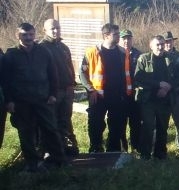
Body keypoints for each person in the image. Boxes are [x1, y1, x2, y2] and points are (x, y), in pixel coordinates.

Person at [1, 23, 66, 171]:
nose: (28, 37)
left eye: (31, 34)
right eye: (24, 35)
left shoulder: (43, 51)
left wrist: (53, 94)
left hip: (43, 98)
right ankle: (33, 163)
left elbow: (52, 74)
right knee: (26, 132)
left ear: (35, 34)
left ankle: (58, 159)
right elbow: (5, 81)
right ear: (18, 35)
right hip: (22, 101)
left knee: (51, 128)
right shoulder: (11, 55)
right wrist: (9, 101)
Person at [79, 23, 132, 153]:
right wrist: (90, 90)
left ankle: (112, 149)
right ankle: (96, 148)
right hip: (98, 95)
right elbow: (82, 73)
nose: (119, 37)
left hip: (117, 95)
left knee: (116, 124)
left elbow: (127, 73)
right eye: (116, 34)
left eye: (118, 34)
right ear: (106, 35)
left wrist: (126, 92)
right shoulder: (93, 52)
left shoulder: (122, 52)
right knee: (96, 123)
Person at [39, 18, 79, 155]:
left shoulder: (63, 47)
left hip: (67, 90)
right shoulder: (41, 48)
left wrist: (72, 84)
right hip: (53, 92)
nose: (56, 31)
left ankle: (66, 149)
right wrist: (50, 92)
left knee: (65, 120)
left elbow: (69, 67)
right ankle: (51, 152)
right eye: (52, 28)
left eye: (58, 27)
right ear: (45, 30)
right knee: (51, 122)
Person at [134, 36, 174, 160]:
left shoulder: (171, 59)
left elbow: (178, 77)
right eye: (157, 44)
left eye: (162, 44)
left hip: (165, 100)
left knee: (163, 128)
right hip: (148, 100)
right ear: (151, 46)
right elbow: (139, 77)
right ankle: (145, 155)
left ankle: (160, 154)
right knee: (148, 127)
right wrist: (158, 85)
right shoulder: (144, 58)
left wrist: (167, 87)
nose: (160, 47)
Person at [161, 31, 179, 152]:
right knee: (161, 123)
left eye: (170, 41)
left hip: (177, 94)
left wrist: (175, 88)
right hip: (162, 95)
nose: (167, 44)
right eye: (165, 41)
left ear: (173, 41)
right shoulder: (156, 56)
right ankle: (159, 147)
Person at [119, 29, 142, 154]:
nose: (126, 41)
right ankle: (123, 148)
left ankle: (135, 148)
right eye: (124, 38)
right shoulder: (116, 53)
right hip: (120, 94)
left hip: (134, 94)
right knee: (121, 122)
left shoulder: (139, 55)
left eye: (129, 38)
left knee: (135, 122)